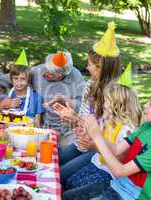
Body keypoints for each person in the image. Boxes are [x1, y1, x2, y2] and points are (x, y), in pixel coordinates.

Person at [53, 22, 122, 184]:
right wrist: (72, 118)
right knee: (53, 162)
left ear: (101, 69)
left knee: (60, 176)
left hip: (97, 151)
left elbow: (102, 134)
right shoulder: (89, 85)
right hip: (80, 143)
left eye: (90, 64)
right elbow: (84, 121)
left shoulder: (114, 97)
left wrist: (75, 118)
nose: (87, 67)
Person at [62, 83, 141, 199]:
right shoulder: (108, 120)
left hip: (109, 173)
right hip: (97, 162)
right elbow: (97, 136)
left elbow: (120, 159)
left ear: (118, 104)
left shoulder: (127, 131)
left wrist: (95, 146)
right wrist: (85, 135)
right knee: (68, 182)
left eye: (107, 100)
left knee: (71, 188)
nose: (103, 103)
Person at [0, 51, 85, 146]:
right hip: (44, 128)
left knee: (64, 154)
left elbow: (83, 105)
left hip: (67, 130)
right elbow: (16, 76)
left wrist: (66, 100)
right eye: (46, 69)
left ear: (63, 74)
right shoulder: (38, 70)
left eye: (52, 74)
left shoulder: (75, 77)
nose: (45, 74)